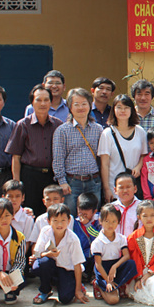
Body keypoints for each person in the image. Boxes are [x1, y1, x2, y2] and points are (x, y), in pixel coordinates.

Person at [6, 84, 63, 217]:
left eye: (46, 100)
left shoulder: (58, 125)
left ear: (51, 102)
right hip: (30, 175)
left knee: (52, 213)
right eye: (38, 100)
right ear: (32, 102)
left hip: (51, 176)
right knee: (30, 213)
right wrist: (17, 182)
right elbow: (16, 156)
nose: (42, 103)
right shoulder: (23, 125)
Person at [52, 87, 103, 215]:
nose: (81, 107)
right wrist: (62, 182)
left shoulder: (98, 129)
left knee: (94, 218)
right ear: (70, 107)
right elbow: (58, 159)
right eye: (76, 104)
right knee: (71, 218)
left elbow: (103, 158)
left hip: (94, 181)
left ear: (90, 105)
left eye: (84, 104)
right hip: (71, 183)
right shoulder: (62, 130)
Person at [31, 203, 89, 305]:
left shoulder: (73, 239)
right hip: (51, 266)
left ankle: (75, 284)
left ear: (69, 221)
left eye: (63, 220)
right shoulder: (45, 231)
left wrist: (78, 290)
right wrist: (48, 254)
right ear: (49, 221)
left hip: (66, 269)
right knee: (39, 264)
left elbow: (77, 264)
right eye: (55, 221)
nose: (59, 224)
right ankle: (45, 290)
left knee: (65, 299)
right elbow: (37, 254)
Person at [98, 94, 147, 202]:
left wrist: (138, 166)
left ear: (132, 110)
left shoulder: (140, 131)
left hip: (134, 185)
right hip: (115, 186)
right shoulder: (107, 133)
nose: (122, 111)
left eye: (126, 107)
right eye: (119, 107)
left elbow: (144, 155)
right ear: (113, 110)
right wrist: (106, 189)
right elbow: (104, 164)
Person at [91, 203, 137, 304]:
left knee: (132, 264)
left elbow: (126, 256)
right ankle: (99, 285)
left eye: (114, 221)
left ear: (118, 222)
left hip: (116, 266)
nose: (110, 225)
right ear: (101, 221)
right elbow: (98, 264)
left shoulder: (121, 238)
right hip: (103, 269)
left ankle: (117, 286)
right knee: (113, 300)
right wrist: (108, 280)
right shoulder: (97, 242)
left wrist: (115, 267)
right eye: (107, 221)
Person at [127, 200, 154, 305]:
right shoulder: (133, 237)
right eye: (145, 216)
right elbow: (135, 258)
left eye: (152, 215)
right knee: (138, 287)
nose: (149, 219)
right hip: (139, 272)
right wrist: (139, 277)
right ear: (139, 217)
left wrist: (150, 273)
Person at [74, 193, 101, 274]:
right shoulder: (75, 222)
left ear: (94, 212)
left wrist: (88, 225)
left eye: (86, 214)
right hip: (83, 255)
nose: (82, 217)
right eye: (80, 213)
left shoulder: (99, 220)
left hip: (96, 255)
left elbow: (99, 237)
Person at [111, 173, 141, 238]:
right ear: (115, 190)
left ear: (135, 188)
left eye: (128, 187)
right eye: (121, 187)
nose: (125, 190)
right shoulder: (111, 208)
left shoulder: (143, 208)